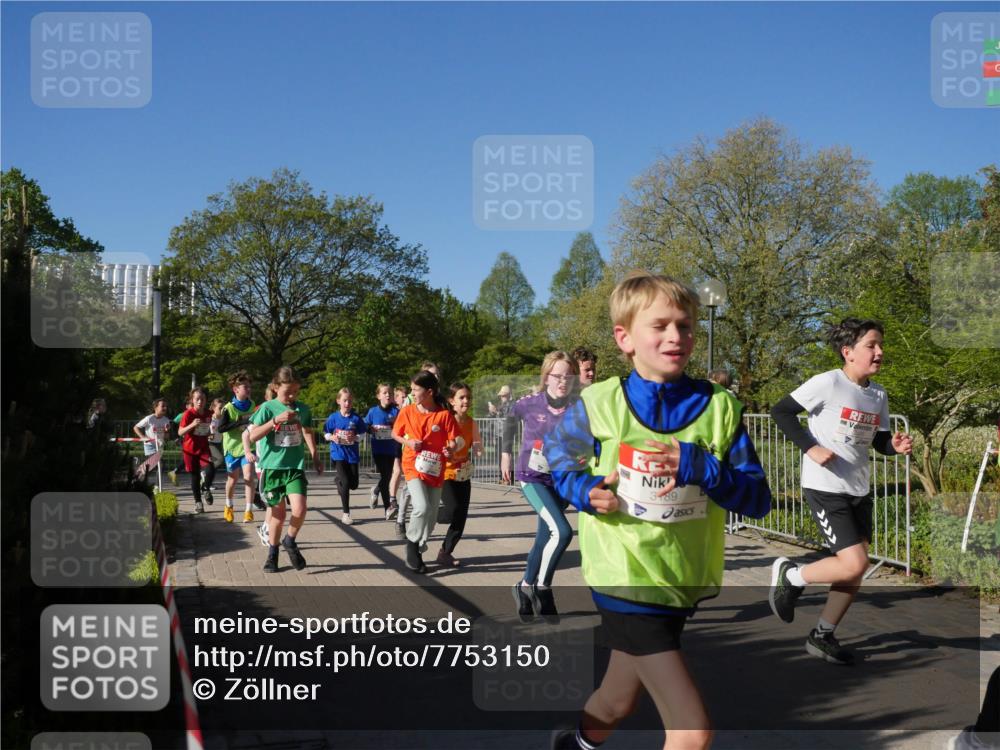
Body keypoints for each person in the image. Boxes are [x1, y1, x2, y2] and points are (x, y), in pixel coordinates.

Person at [546, 270, 771, 750]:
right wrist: (586, 492)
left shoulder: (721, 408)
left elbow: (757, 499)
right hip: (622, 574)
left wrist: (699, 466)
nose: (677, 336)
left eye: (686, 326)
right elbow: (560, 464)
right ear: (624, 337)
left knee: (615, 701)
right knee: (692, 731)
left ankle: (575, 745)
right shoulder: (598, 402)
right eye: (661, 325)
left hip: (680, 576)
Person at [768, 318, 913, 665]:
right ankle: (791, 575)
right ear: (848, 352)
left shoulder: (878, 394)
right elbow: (781, 411)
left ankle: (822, 636)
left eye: (880, 346)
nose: (879, 352)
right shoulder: (828, 383)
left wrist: (893, 445)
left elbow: (877, 440)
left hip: (858, 487)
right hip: (825, 485)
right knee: (855, 562)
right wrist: (810, 448)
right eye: (871, 345)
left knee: (853, 569)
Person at [508, 351, 580, 622]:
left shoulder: (577, 407)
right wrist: (505, 454)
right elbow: (509, 421)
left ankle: (524, 586)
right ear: (546, 376)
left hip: (559, 480)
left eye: (568, 377)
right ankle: (543, 588)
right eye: (557, 376)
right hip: (531, 477)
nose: (563, 381)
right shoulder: (530, 403)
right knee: (562, 532)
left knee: (543, 537)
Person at [246, 367, 323, 573]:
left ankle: (290, 540)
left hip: (294, 467)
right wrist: (274, 422)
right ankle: (273, 553)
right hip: (272, 468)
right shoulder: (267, 408)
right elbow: (253, 437)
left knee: (299, 509)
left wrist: (314, 454)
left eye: (296, 392)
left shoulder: (303, 410)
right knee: (278, 515)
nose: (292, 396)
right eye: (287, 392)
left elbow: (307, 431)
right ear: (275, 387)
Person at [392, 370, 461, 573]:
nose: (411, 394)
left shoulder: (444, 415)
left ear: (429, 392)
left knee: (430, 517)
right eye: (411, 389)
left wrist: (451, 448)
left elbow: (454, 440)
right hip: (413, 465)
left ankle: (418, 547)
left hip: (435, 469)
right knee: (421, 507)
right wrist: (408, 442)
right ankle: (412, 547)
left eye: (415, 389)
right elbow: (396, 433)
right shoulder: (407, 411)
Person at [436, 381, 482, 567]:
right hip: (446, 473)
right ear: (452, 401)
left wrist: (478, 448)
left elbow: (477, 445)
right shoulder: (446, 420)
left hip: (463, 473)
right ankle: (431, 514)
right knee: (453, 510)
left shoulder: (471, 423)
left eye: (468, 397)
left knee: (461, 516)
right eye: (461, 397)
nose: (466, 401)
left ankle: (445, 552)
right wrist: (446, 451)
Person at [323, 387, 367, 526]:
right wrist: (332, 437)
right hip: (338, 454)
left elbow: (362, 434)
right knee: (346, 483)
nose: (347, 403)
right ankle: (346, 514)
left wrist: (355, 437)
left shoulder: (356, 418)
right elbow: (326, 433)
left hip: (352, 455)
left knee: (353, 485)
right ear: (338, 401)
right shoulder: (333, 418)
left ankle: (338, 481)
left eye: (349, 401)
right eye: (344, 400)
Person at [217, 371, 257, 524]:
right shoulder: (228, 408)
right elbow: (221, 428)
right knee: (232, 479)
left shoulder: (252, 405)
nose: (248, 389)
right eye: (245, 387)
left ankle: (248, 511)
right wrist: (239, 423)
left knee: (248, 476)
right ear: (236, 390)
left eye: (249, 387)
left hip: (248, 446)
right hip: (232, 448)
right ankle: (229, 505)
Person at [365, 383, 401, 520]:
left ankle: (376, 490)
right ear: (378, 396)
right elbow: (366, 424)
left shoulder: (396, 412)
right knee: (386, 477)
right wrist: (370, 429)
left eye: (390, 393)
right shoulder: (373, 411)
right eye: (385, 393)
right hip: (378, 450)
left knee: (386, 478)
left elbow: (402, 427)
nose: (388, 395)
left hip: (391, 449)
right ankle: (388, 509)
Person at [177, 387, 215, 513]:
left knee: (210, 469)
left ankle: (205, 488)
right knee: (195, 477)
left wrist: (209, 432)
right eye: (197, 399)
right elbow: (180, 432)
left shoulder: (209, 414)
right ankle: (198, 502)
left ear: (206, 400)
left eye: (202, 399)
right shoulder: (188, 414)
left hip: (204, 448)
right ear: (192, 400)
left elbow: (208, 429)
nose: (200, 401)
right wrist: (192, 424)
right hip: (190, 450)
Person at [133, 398, 170, 483]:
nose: (165, 408)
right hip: (150, 445)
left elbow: (167, 437)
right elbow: (136, 427)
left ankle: (137, 475)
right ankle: (155, 485)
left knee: (151, 466)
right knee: (159, 464)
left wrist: (167, 431)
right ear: (155, 407)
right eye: (162, 406)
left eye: (166, 406)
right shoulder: (149, 418)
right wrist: (142, 437)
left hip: (160, 445)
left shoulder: (166, 420)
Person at [392, 386, 411, 538]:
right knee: (397, 472)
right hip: (407, 447)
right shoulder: (410, 401)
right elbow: (397, 431)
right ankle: (400, 518)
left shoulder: (439, 402)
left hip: (433, 454)